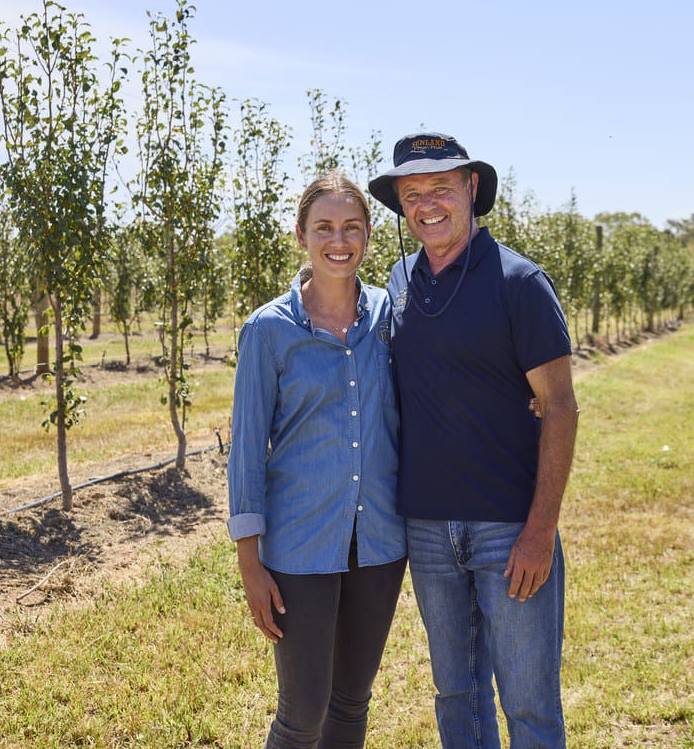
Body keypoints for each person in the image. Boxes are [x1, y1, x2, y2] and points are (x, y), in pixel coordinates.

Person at [369, 133, 579, 749]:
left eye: (440, 188)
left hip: (508, 527)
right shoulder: (399, 281)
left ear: (471, 189)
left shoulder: (519, 282)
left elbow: (561, 408)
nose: (427, 205)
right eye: (412, 194)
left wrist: (540, 530)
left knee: (529, 701)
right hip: (427, 527)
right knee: (456, 694)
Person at [226, 171, 407, 749]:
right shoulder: (269, 331)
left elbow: (447, 379)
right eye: (324, 226)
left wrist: (522, 396)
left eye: (351, 227)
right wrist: (250, 564)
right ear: (302, 233)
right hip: (300, 544)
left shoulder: (391, 317)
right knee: (303, 711)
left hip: (380, 540)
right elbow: (248, 450)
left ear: (369, 234)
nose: (339, 239)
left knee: (351, 703)